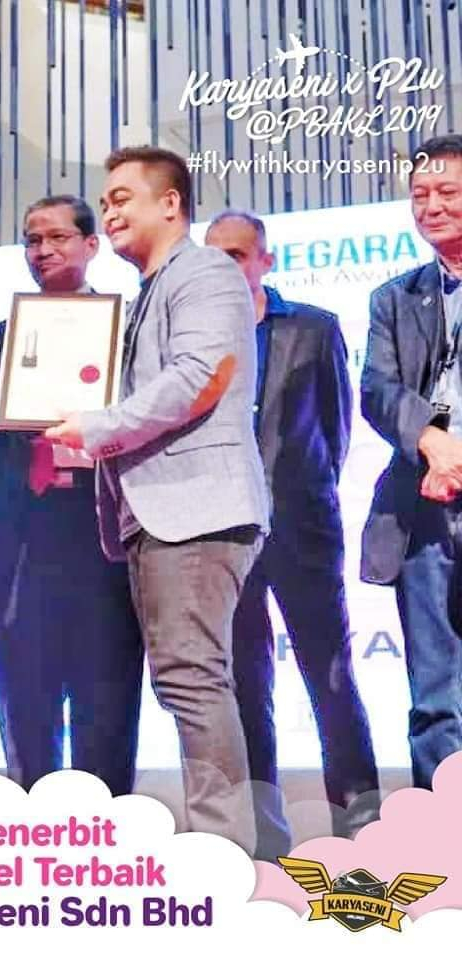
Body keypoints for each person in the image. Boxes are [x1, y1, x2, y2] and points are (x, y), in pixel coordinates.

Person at [46, 146, 268, 851]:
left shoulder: (205, 271)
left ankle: (224, 855)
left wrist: (97, 427)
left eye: (121, 198)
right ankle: (222, 848)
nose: (108, 212)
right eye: (104, 202)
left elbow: (200, 376)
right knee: (186, 682)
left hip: (196, 509)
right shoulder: (152, 290)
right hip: (159, 513)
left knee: (194, 683)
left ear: (171, 204)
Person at [205, 210, 380, 859]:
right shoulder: (195, 339)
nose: (225, 266)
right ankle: (262, 839)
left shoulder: (315, 327)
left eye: (237, 255)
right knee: (246, 690)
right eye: (214, 255)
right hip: (225, 536)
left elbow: (335, 429)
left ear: (265, 261)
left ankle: (363, 827)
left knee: (331, 680)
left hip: (304, 532)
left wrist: (305, 497)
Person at [0, 195, 143, 796]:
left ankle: (108, 821)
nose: (43, 250)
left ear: (92, 245)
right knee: (24, 691)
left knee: (109, 685)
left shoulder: (129, 331)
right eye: (32, 239)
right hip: (20, 530)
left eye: (58, 237)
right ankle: (32, 820)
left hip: (104, 526)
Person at [362, 134, 462, 790]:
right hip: (425, 507)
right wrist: (432, 440)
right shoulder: (395, 298)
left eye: (447, 192)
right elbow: (377, 388)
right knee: (436, 696)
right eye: (420, 194)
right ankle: (447, 831)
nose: (431, 206)